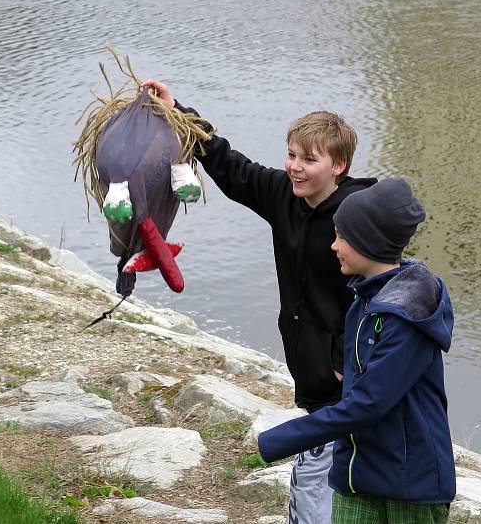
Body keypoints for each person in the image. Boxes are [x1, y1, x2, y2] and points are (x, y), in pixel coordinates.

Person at [140, 79, 376, 524]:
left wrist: (347, 352)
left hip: (347, 375)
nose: (296, 167)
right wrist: (178, 111)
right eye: (292, 155)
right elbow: (230, 165)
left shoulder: (360, 214)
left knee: (314, 486)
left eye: (310, 159)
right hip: (312, 370)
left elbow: (382, 285)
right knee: (334, 477)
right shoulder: (283, 196)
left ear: (339, 165)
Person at [259, 177, 455, 524]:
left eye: (342, 237)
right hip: (356, 472)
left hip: (411, 482)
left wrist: (279, 439)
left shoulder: (406, 317)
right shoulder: (363, 302)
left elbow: (368, 403)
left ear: (371, 243)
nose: (333, 246)